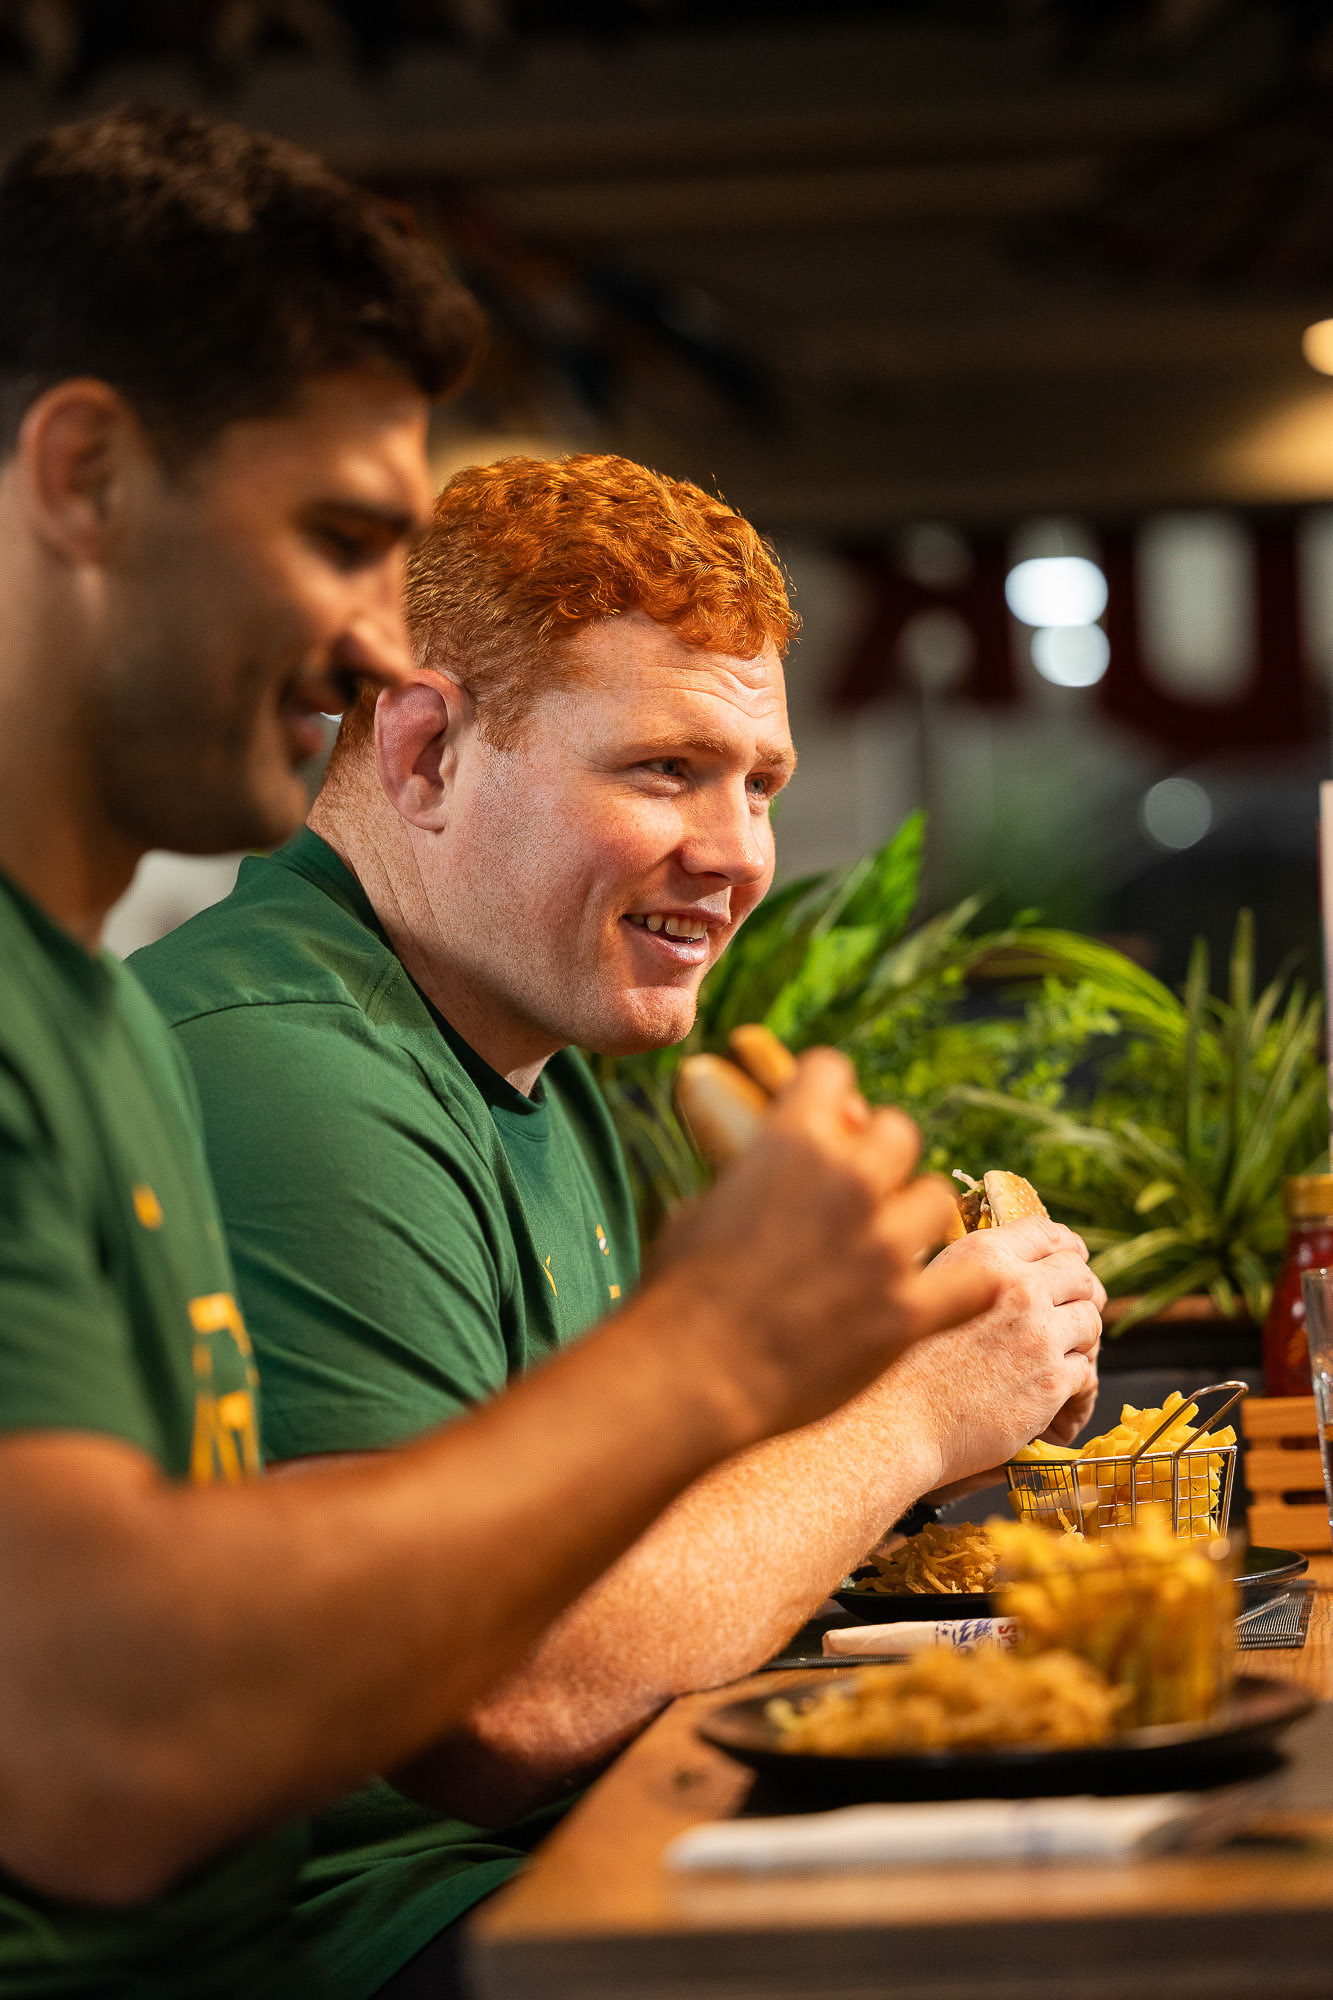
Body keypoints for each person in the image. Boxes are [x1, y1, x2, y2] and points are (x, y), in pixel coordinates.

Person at [0, 107, 1012, 1999]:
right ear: (83, 481)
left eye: (757, 782)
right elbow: (141, 1752)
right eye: (333, 540)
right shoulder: (237, 1045)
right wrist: (789, 1380)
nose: (368, 644)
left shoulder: (83, 1011)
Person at [136, 452, 1103, 1998]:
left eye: (760, 782)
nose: (737, 855)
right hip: (347, 1941)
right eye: (663, 769)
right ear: (428, 747)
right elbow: (501, 1703)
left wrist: (874, 1360)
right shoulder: (285, 1067)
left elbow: (610, 1557)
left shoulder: (534, 1062)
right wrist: (909, 1416)